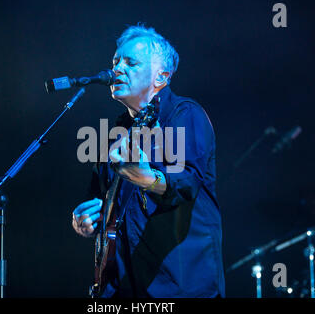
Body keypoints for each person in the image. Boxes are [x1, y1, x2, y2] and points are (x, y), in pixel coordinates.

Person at [72, 24, 225, 298]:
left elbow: (187, 183)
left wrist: (149, 178)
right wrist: (85, 221)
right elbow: (97, 203)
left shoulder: (183, 114)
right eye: (116, 61)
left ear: (161, 76)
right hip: (123, 287)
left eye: (130, 62)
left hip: (178, 286)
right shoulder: (116, 134)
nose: (117, 68)